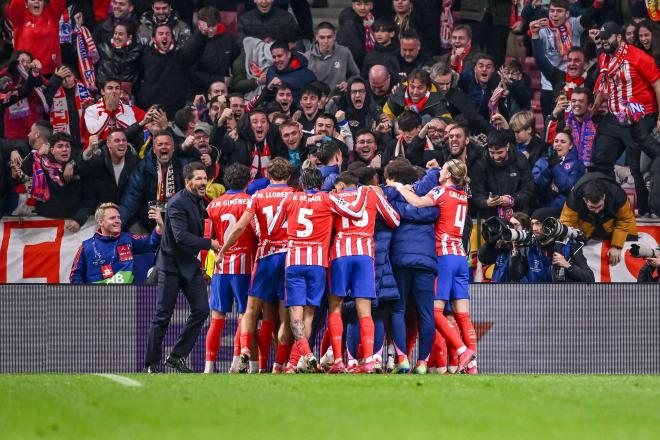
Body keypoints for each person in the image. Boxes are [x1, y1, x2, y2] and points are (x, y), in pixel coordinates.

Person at [268, 167, 369, 372]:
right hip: (317, 263)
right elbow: (356, 211)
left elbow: (272, 228)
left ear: (302, 184)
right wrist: (361, 192)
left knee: (295, 314)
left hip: (294, 261)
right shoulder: (327, 198)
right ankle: (300, 360)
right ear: (321, 184)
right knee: (309, 315)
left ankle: (304, 357)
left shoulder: (290, 199)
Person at [386, 159, 478, 374]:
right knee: (462, 315)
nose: (439, 172)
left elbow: (417, 203)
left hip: (444, 256)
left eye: (442, 168)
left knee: (435, 312)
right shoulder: (463, 196)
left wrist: (399, 187)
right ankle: (472, 364)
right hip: (460, 257)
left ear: (447, 175)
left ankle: (462, 349)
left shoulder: (441, 191)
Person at [217, 158, 295, 373]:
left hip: (265, 256)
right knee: (284, 315)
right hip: (289, 257)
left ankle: (244, 352)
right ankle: (278, 365)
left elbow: (241, 226)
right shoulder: (295, 195)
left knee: (251, 310)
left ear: (269, 176)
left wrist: (223, 250)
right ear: (288, 176)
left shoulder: (258, 196)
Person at [144, 162, 222, 374]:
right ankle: (152, 364)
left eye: (204, 178)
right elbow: (180, 237)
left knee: (202, 310)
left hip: (189, 264)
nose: (203, 182)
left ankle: (176, 357)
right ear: (187, 182)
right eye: (198, 179)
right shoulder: (177, 203)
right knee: (163, 315)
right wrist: (210, 244)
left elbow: (205, 219)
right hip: (170, 266)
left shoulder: (198, 201)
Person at [325, 172, 400, 373]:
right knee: (364, 309)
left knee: (336, 307)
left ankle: (339, 361)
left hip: (340, 254)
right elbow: (394, 219)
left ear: (341, 184)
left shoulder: (333, 197)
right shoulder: (371, 195)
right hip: (365, 255)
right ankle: (368, 361)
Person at [590, 22, 660, 217]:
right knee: (601, 159)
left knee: (636, 168)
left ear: (619, 38)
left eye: (608, 39)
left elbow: (657, 85)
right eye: (601, 39)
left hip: (639, 116)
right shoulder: (604, 57)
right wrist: (594, 107)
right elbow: (603, 86)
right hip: (614, 115)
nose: (604, 43)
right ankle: (612, 205)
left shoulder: (639, 57)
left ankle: (646, 211)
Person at [381, 160, 438, 373]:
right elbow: (432, 211)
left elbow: (389, 200)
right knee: (426, 313)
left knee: (399, 309)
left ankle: (402, 359)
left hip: (401, 260)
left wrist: (396, 188)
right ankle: (423, 363)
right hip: (426, 261)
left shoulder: (393, 200)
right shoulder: (431, 206)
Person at [203, 164, 257, 374]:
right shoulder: (250, 202)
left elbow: (209, 239)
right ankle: (236, 362)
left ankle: (209, 366)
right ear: (248, 182)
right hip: (245, 265)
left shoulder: (213, 205)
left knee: (217, 318)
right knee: (244, 315)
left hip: (221, 267)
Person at [70, 202, 162, 284]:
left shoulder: (127, 238)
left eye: (118, 217)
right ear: (100, 222)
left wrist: (159, 225)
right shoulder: (86, 246)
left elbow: (151, 243)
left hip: (126, 297)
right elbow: (75, 276)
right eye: (112, 218)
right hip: (98, 299)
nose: (118, 221)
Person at [20, 131, 95, 232]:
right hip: (44, 222)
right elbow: (25, 169)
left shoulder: (79, 166)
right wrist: (38, 154)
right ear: (52, 150)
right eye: (60, 146)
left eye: (67, 146)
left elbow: (89, 200)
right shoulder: (42, 163)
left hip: (71, 223)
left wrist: (79, 220)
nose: (64, 149)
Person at [560, 172, 638, 266]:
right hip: (586, 223)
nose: (596, 211)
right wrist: (576, 243)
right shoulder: (574, 198)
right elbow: (567, 223)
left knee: (628, 237)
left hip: (610, 221)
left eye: (599, 206)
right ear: (585, 200)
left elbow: (625, 220)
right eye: (592, 207)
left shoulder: (617, 194)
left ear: (603, 197)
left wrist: (616, 246)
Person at [509, 208, 594, 282]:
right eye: (532, 224)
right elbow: (516, 276)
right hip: (537, 297)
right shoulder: (530, 246)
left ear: (549, 224)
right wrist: (515, 254)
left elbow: (590, 278)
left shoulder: (569, 246)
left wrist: (568, 265)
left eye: (538, 223)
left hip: (561, 298)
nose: (534, 228)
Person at [471, 129, 535, 217]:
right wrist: (486, 202)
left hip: (518, 214)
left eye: (500, 152)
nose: (496, 157)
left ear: (507, 146)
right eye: (492, 153)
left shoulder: (520, 160)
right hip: (490, 216)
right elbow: (476, 194)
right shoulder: (481, 164)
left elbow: (528, 189)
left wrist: (512, 200)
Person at [78, 128, 138, 206]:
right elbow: (82, 167)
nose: (121, 143)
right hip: (101, 211)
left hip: (126, 211)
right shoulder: (99, 159)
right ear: (108, 144)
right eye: (117, 140)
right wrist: (89, 149)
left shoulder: (133, 161)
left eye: (124, 140)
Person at [7, 0, 67, 75]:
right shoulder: (19, 17)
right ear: (26, 3)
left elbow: (59, 2)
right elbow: (16, 3)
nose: (36, 1)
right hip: (25, 71)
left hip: (51, 71)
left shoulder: (52, 15)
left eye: (40, 0)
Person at [44, 65, 94, 153]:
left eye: (69, 76)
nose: (66, 80)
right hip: (64, 138)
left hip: (81, 134)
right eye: (63, 78)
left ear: (74, 76)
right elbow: (46, 100)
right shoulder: (54, 92)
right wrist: (55, 78)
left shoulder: (84, 90)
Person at [532, 129, 586, 210]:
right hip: (541, 207)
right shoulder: (542, 161)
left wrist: (555, 167)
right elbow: (536, 185)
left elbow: (569, 187)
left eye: (563, 142)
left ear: (570, 145)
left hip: (564, 209)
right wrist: (548, 169)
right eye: (556, 141)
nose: (558, 144)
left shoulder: (577, 164)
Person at [305, 22, 360, 93]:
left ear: (334, 36)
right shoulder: (307, 57)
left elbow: (355, 75)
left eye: (329, 37)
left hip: (339, 98)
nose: (326, 41)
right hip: (316, 100)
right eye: (322, 37)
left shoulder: (344, 52)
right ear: (316, 37)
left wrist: (348, 83)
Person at [84, 78, 138, 143]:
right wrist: (108, 111)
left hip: (122, 146)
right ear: (102, 92)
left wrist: (116, 111)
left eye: (117, 88)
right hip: (100, 149)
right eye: (110, 88)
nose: (114, 91)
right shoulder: (91, 110)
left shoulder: (128, 109)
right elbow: (94, 132)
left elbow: (133, 130)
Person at [336, 0, 376, 68]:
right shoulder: (349, 24)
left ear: (371, 5)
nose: (363, 7)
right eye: (359, 4)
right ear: (353, 6)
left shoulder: (373, 20)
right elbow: (356, 53)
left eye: (366, 4)